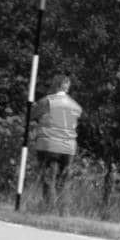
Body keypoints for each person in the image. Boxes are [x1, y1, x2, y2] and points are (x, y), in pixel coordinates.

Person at [31, 74, 83, 209]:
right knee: (63, 181)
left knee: (49, 179)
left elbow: (32, 115)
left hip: (49, 144)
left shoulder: (48, 101)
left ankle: (48, 209)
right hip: (69, 148)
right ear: (67, 87)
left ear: (55, 85)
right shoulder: (76, 106)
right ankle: (63, 211)